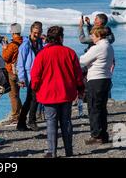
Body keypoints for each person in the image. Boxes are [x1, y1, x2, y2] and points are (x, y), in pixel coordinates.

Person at [30, 26, 84, 158]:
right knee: (66, 122)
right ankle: (69, 151)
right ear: (60, 37)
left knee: (51, 123)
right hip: (66, 93)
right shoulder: (70, 52)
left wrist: (35, 89)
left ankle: (52, 152)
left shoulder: (42, 54)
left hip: (48, 94)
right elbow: (78, 75)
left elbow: (35, 75)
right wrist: (80, 89)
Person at [80, 27, 115, 145]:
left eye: (93, 35)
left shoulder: (97, 47)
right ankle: (103, 134)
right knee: (102, 108)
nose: (91, 38)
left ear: (99, 35)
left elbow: (83, 61)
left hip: (96, 79)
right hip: (106, 78)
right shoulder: (109, 46)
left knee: (94, 108)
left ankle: (96, 135)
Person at [17, 21, 44, 131]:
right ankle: (31, 121)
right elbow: (20, 63)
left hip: (37, 75)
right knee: (34, 98)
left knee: (29, 100)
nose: (36, 35)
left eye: (38, 33)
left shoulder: (40, 44)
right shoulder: (25, 45)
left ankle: (21, 123)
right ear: (30, 31)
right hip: (29, 75)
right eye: (34, 33)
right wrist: (22, 78)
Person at [1, 23, 23, 126]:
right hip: (21, 71)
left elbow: (5, 57)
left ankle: (15, 116)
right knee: (17, 94)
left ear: (13, 32)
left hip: (12, 72)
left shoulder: (12, 45)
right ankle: (22, 113)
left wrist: (5, 47)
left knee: (13, 95)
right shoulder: (24, 42)